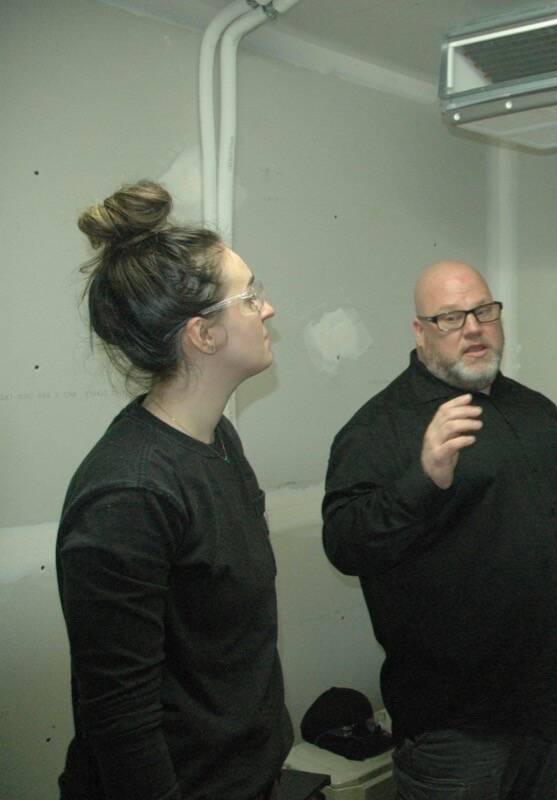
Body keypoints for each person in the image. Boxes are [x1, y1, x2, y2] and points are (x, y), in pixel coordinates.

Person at [322, 260, 557, 800]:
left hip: (542, 698)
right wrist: (423, 478)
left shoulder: (534, 409)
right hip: (454, 722)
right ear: (419, 331)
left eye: (484, 311)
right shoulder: (380, 427)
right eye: (450, 317)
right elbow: (346, 543)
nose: (473, 328)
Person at [57, 180, 291, 799]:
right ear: (203, 335)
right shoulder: (128, 496)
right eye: (251, 298)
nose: (267, 309)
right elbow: (120, 720)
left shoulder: (218, 443)